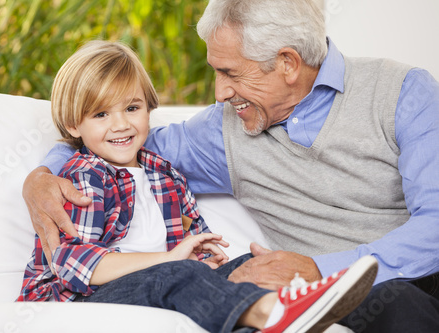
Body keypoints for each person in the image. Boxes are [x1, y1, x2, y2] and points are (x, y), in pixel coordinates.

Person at [22, 0, 439, 331]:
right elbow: (115, 150)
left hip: (407, 273)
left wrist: (320, 268)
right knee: (397, 303)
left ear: (288, 63)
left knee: (402, 298)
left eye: (230, 73)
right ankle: (270, 313)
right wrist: (42, 177)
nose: (220, 93)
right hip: (349, 296)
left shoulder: (403, 92)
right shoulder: (221, 133)